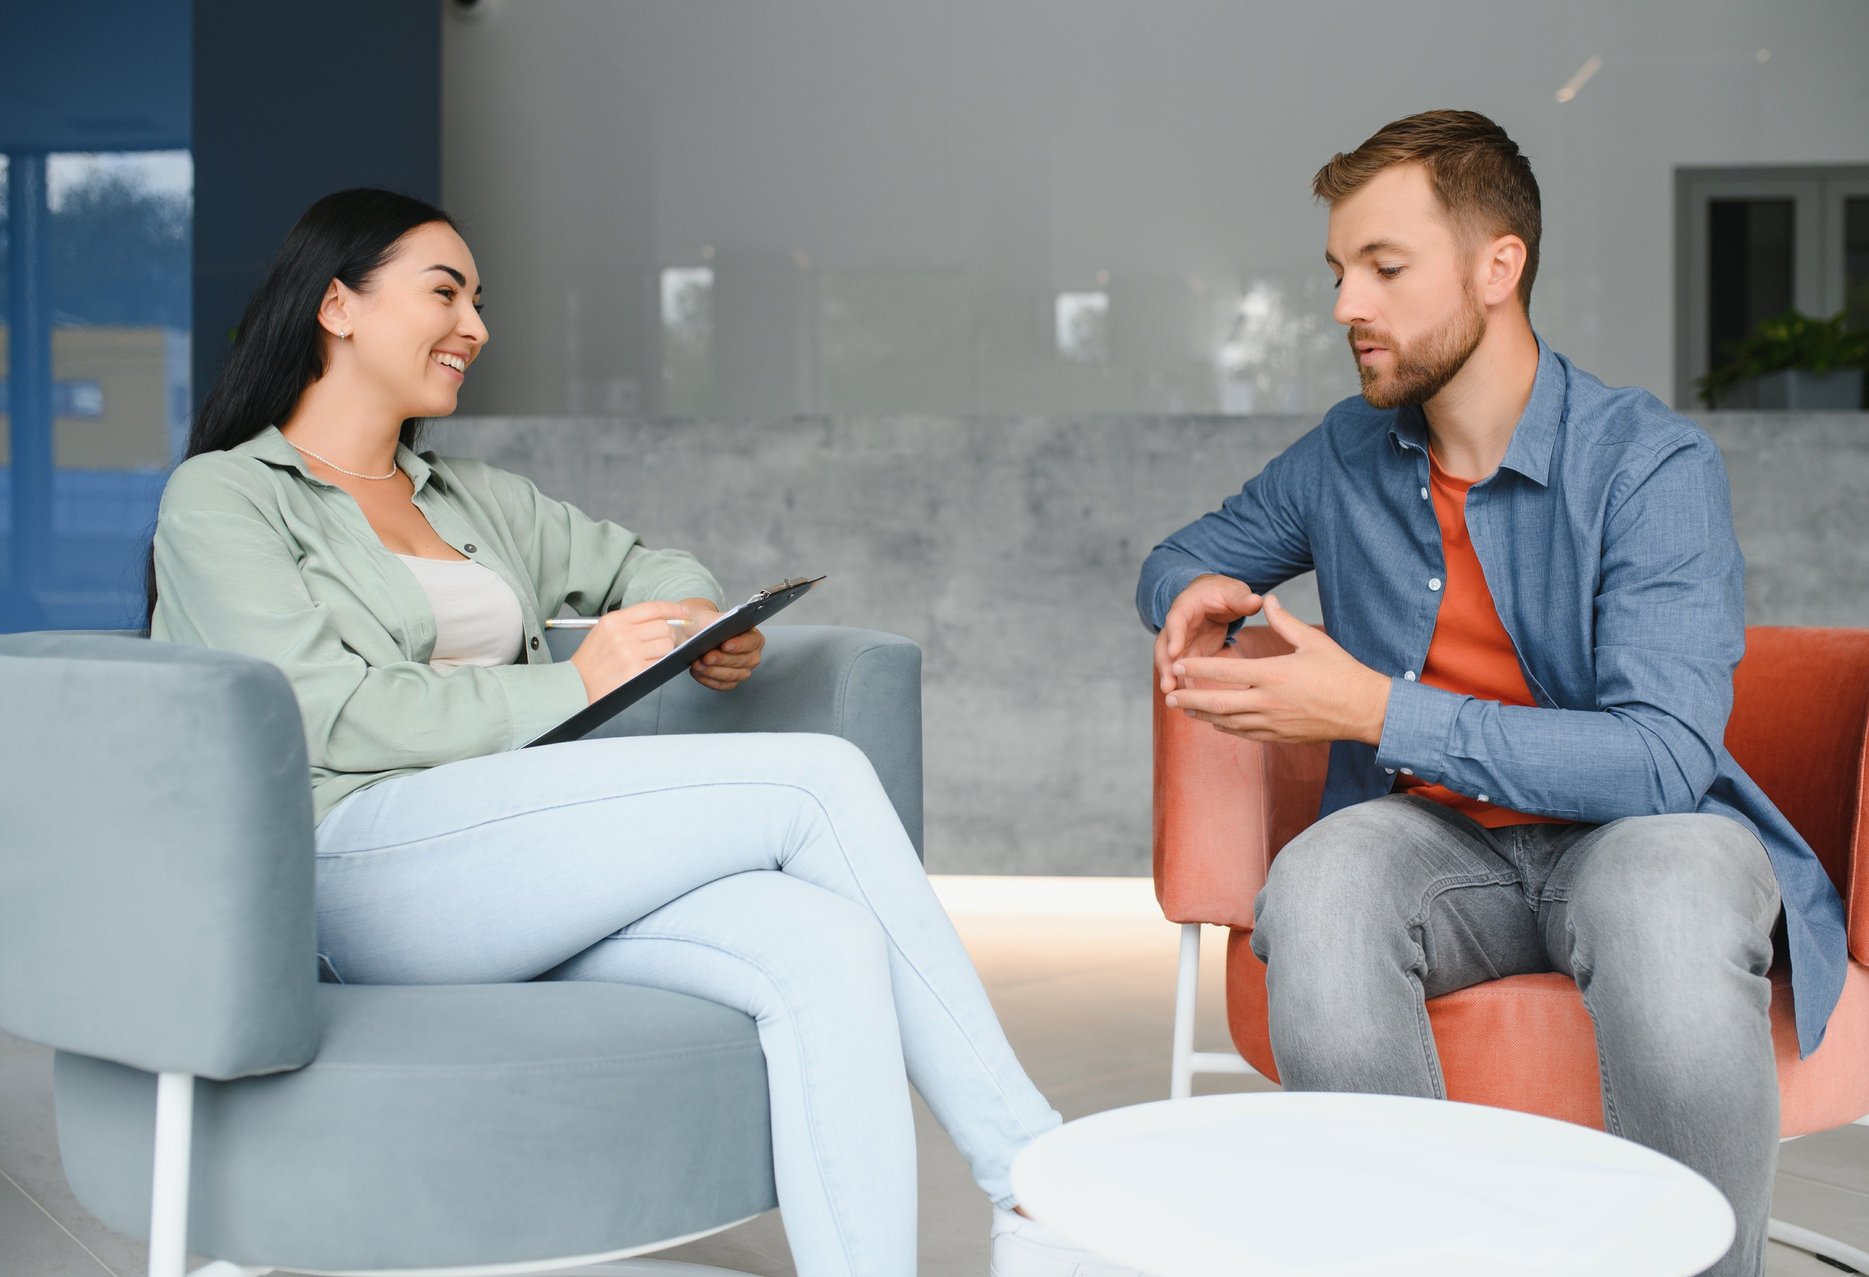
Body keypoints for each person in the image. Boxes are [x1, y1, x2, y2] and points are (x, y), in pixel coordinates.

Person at [149, 188, 1133, 1277]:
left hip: (513, 870)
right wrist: (573, 682)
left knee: (821, 942)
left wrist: (697, 623)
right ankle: (1040, 1182)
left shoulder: (474, 499)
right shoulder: (227, 497)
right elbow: (313, 705)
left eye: (480, 300)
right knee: (813, 784)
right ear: (338, 305)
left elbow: (648, 566)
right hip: (354, 868)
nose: (475, 325)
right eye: (446, 292)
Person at [1135, 111, 1845, 1277]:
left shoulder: (1647, 466)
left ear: (1498, 266)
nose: (1344, 306)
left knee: (1665, 885)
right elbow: (1180, 553)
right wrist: (1192, 586)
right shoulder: (1343, 457)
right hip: (1443, 856)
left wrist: (1375, 711)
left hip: (1636, 838)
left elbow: (1665, 759)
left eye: (1384, 267)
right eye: (1338, 272)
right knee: (1319, 879)